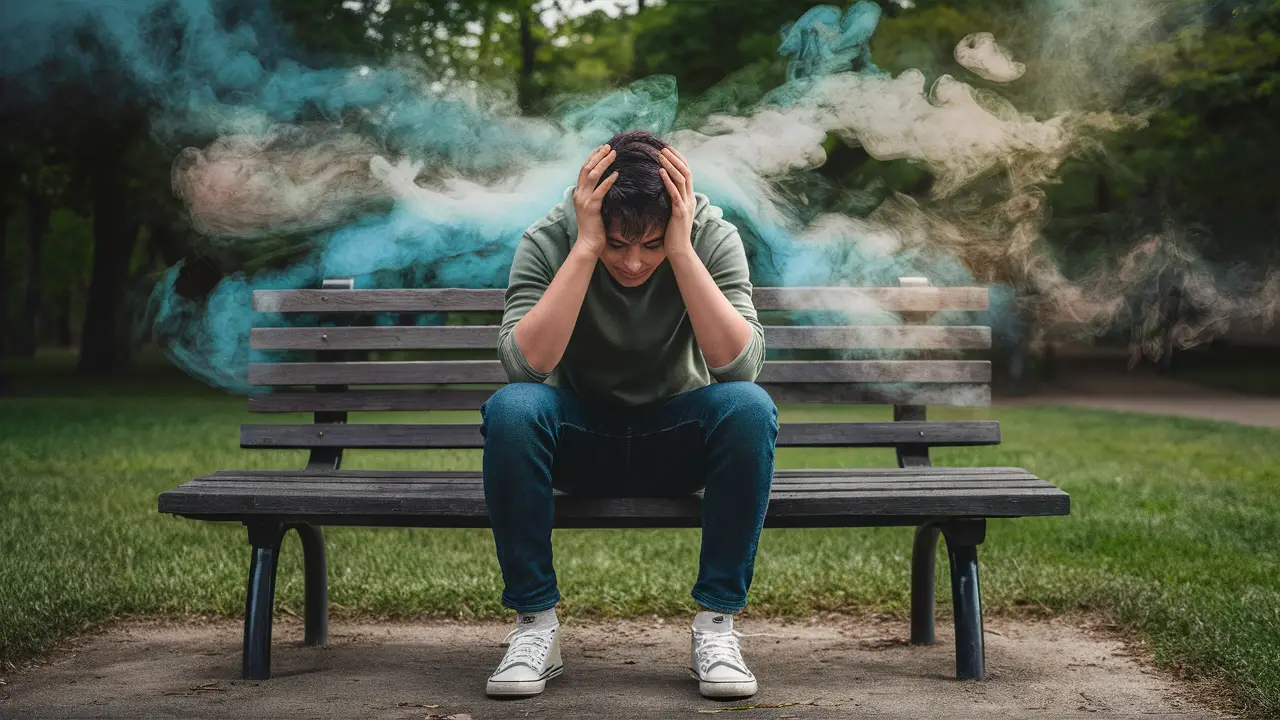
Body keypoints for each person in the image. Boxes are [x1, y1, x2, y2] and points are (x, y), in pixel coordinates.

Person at [480, 129, 778, 700]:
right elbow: (524, 367)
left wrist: (684, 250)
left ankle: (716, 628)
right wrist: (585, 248)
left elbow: (740, 367)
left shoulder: (709, 235)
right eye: (618, 243)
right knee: (514, 409)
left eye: (652, 243)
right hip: (578, 441)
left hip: (676, 442)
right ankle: (534, 626)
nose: (635, 262)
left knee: (747, 408)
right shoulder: (550, 238)